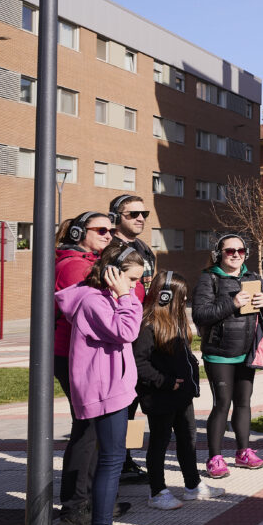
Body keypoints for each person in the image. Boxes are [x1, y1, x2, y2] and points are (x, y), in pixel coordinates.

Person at [54, 243, 149, 525]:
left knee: (111, 459)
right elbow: (127, 331)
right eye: (132, 280)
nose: (135, 287)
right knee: (111, 460)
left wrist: (122, 296)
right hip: (105, 391)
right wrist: (125, 297)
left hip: (111, 387)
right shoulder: (94, 301)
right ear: (113, 273)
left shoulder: (98, 297)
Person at [53, 211, 122, 525]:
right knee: (88, 430)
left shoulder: (88, 262)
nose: (109, 235)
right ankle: (74, 507)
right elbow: (97, 312)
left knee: (93, 431)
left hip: (86, 354)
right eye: (101, 230)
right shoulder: (74, 266)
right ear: (80, 233)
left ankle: (92, 500)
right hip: (74, 355)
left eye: (111, 230)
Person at [132, 271, 225, 510]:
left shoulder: (176, 322)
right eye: (181, 297)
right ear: (164, 297)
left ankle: (192, 485)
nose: (184, 302)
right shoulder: (148, 326)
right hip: (161, 396)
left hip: (182, 397)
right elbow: (139, 363)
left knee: (188, 440)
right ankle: (157, 491)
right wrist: (164, 381)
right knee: (160, 442)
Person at [192, 233, 263, 478]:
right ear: (220, 254)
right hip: (219, 354)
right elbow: (201, 315)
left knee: (244, 403)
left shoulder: (253, 277)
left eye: (240, 250)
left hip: (246, 351)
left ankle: (243, 452)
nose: (236, 255)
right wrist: (233, 303)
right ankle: (214, 457)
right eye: (230, 251)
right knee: (222, 404)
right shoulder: (209, 278)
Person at [109, 194, 156, 484]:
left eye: (144, 214)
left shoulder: (144, 249)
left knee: (135, 401)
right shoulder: (109, 249)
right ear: (116, 217)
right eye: (133, 214)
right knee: (119, 403)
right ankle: (115, 460)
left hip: (142, 332)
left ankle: (127, 458)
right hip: (117, 333)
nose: (140, 218)